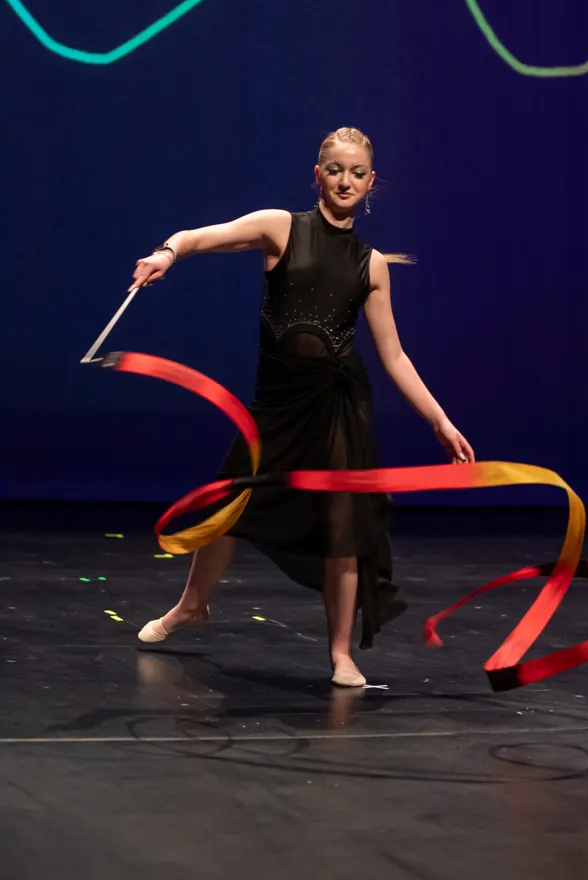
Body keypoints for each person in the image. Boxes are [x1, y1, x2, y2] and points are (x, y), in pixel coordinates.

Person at [133, 127, 474, 686]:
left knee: (344, 523)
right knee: (228, 506)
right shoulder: (281, 228)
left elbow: (394, 357)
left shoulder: (372, 266)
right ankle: (193, 604)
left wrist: (440, 420)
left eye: (357, 173)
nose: (345, 181)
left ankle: (341, 652)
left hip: (339, 404)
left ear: (371, 184)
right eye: (335, 170)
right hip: (277, 403)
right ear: (318, 175)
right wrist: (166, 253)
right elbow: (200, 237)